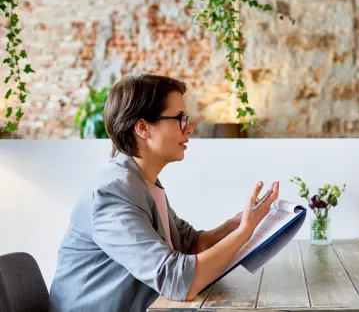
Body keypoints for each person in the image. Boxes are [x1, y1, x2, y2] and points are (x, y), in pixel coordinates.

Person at [49, 74, 279, 312]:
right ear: (143, 128)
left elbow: (192, 244)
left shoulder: (143, 182)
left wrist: (237, 223)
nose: (189, 128)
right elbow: (178, 282)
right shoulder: (113, 194)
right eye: (179, 118)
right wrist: (245, 232)